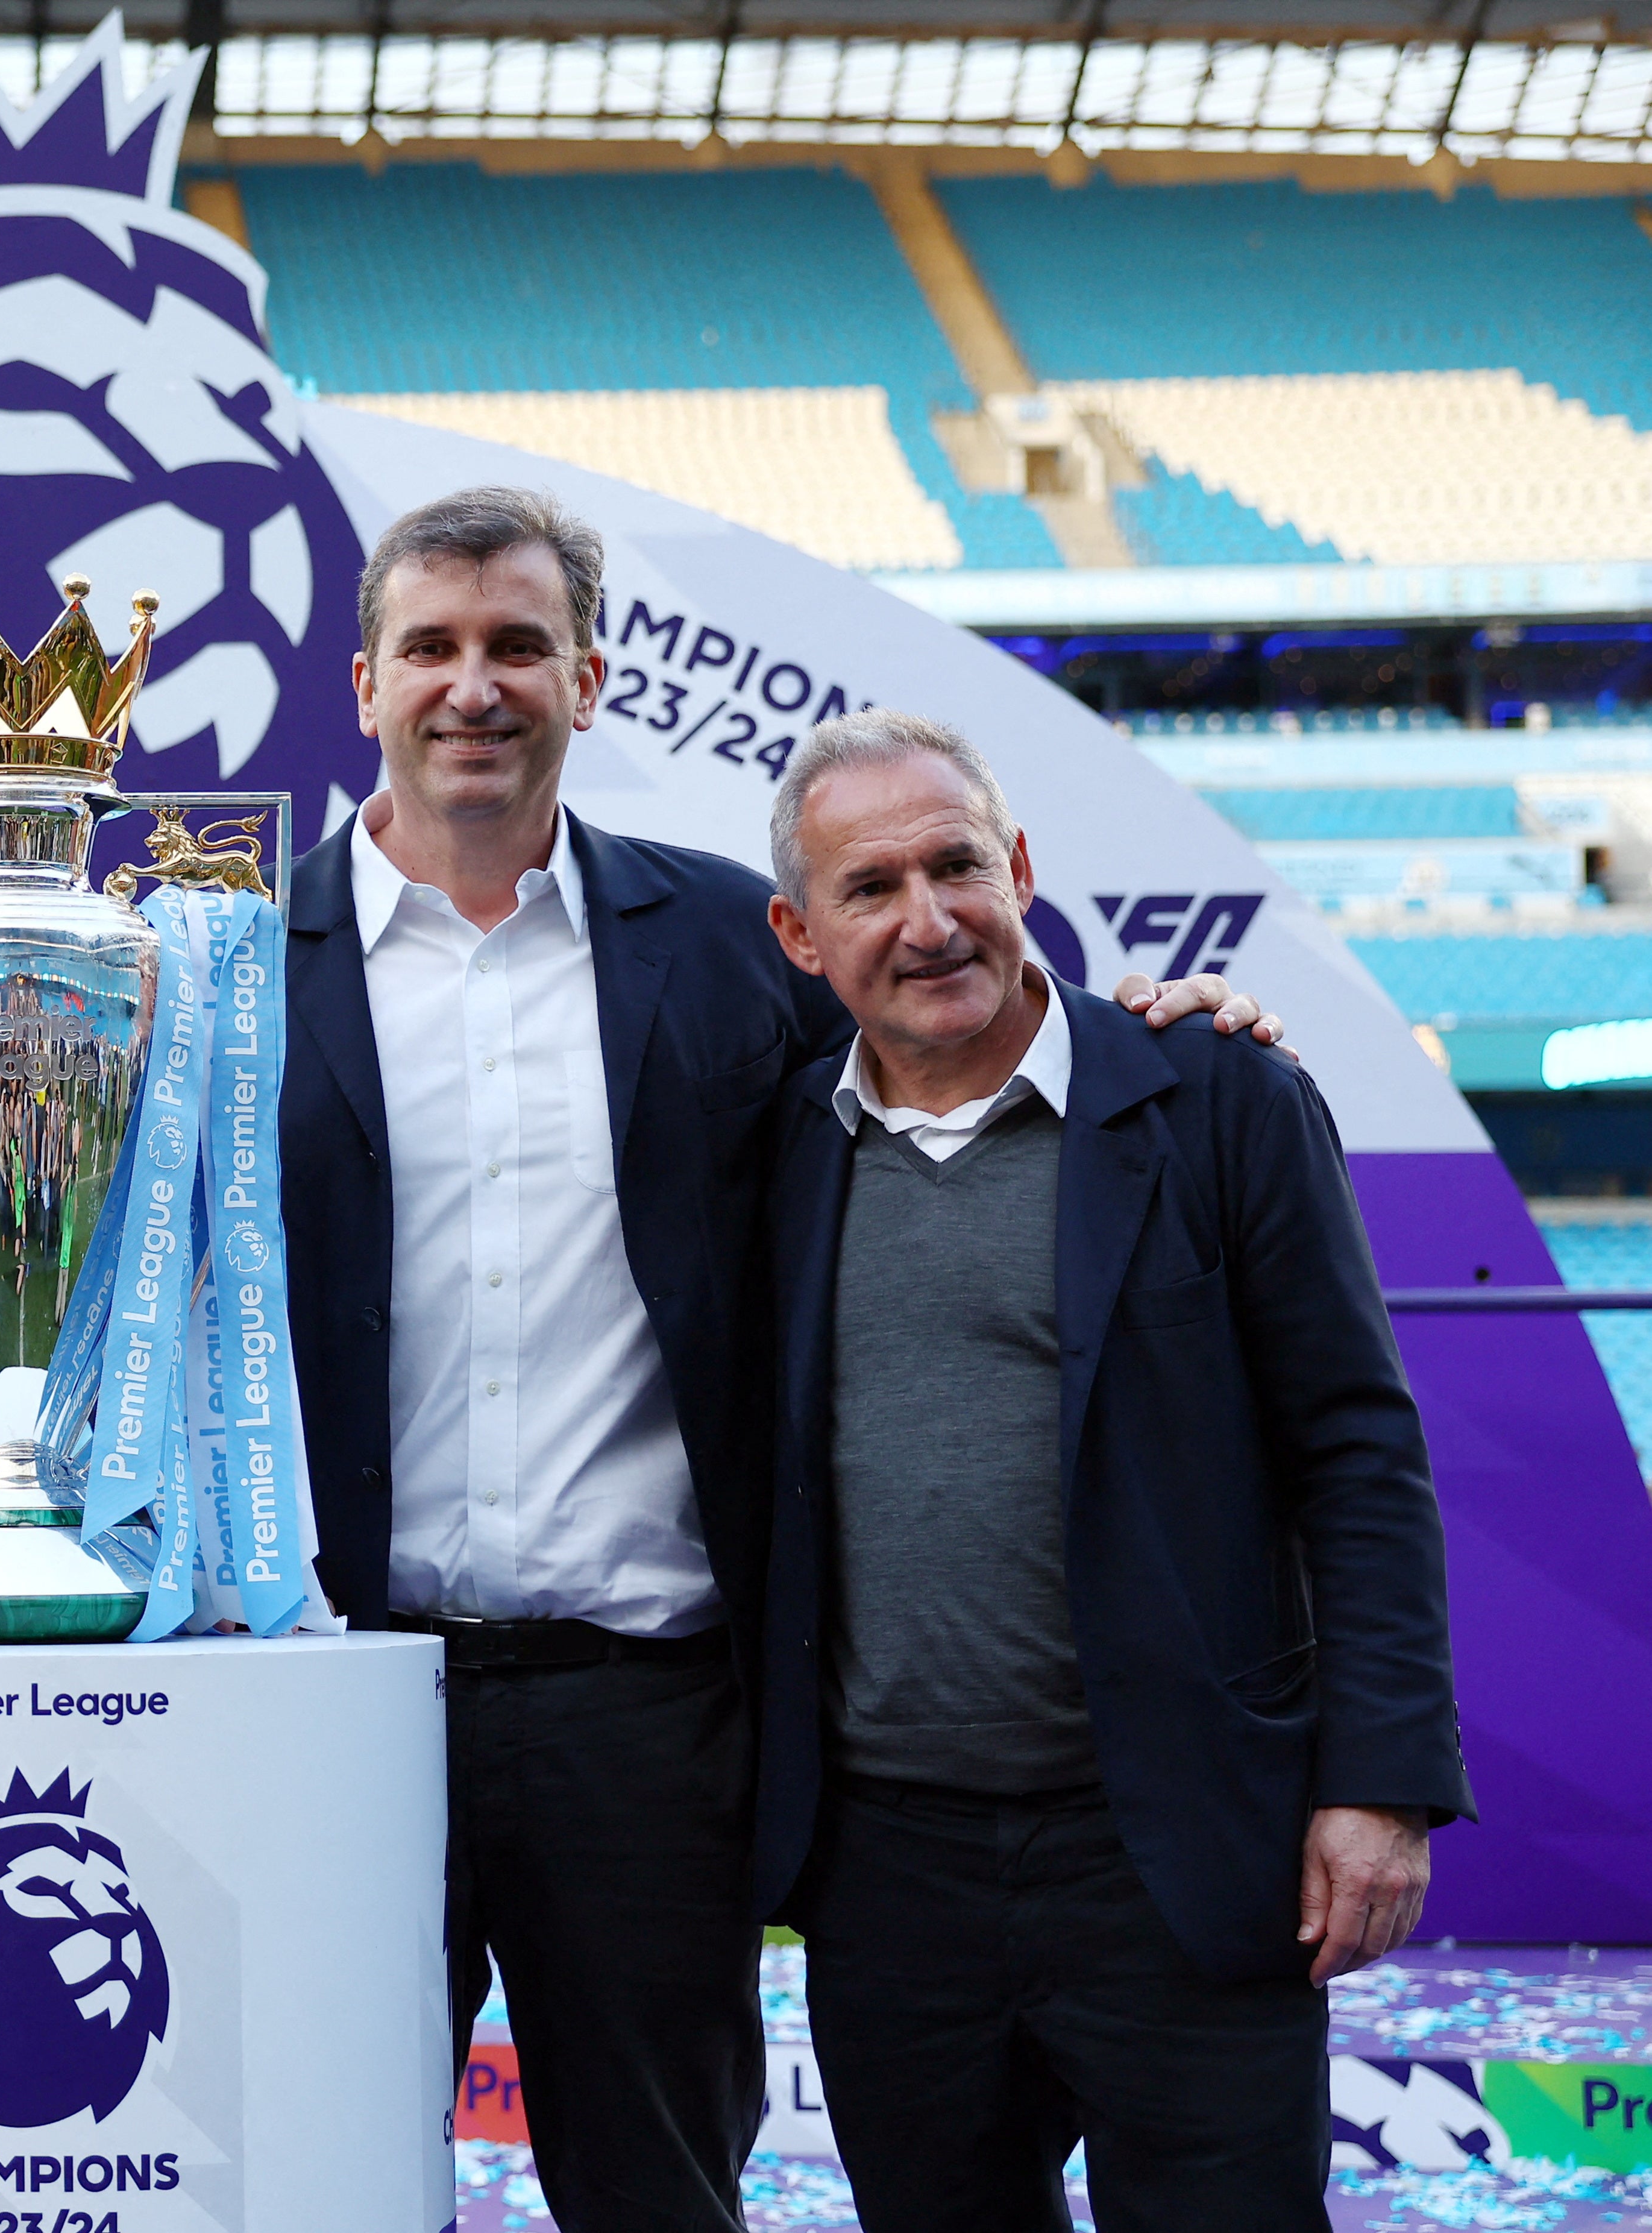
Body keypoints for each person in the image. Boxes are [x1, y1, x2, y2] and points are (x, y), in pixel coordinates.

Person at [275, 485, 1282, 2231]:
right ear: (361, 683)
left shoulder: (735, 948)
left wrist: (1162, 1036)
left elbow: (954, 1030)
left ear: (588, 680)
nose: (473, 686)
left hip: (650, 1713)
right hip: (338, 1693)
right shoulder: (236, 961)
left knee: (662, 2192)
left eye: (518, 645)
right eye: (428, 648)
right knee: (324, 2182)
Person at [753, 710, 1472, 2232]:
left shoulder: (1217, 1098)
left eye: (955, 865)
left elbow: (1355, 1449)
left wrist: (1380, 1784)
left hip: (1174, 1853)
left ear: (1019, 869)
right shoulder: (772, 1153)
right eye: (868, 889)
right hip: (891, 1879)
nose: (927, 920)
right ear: (798, 935)